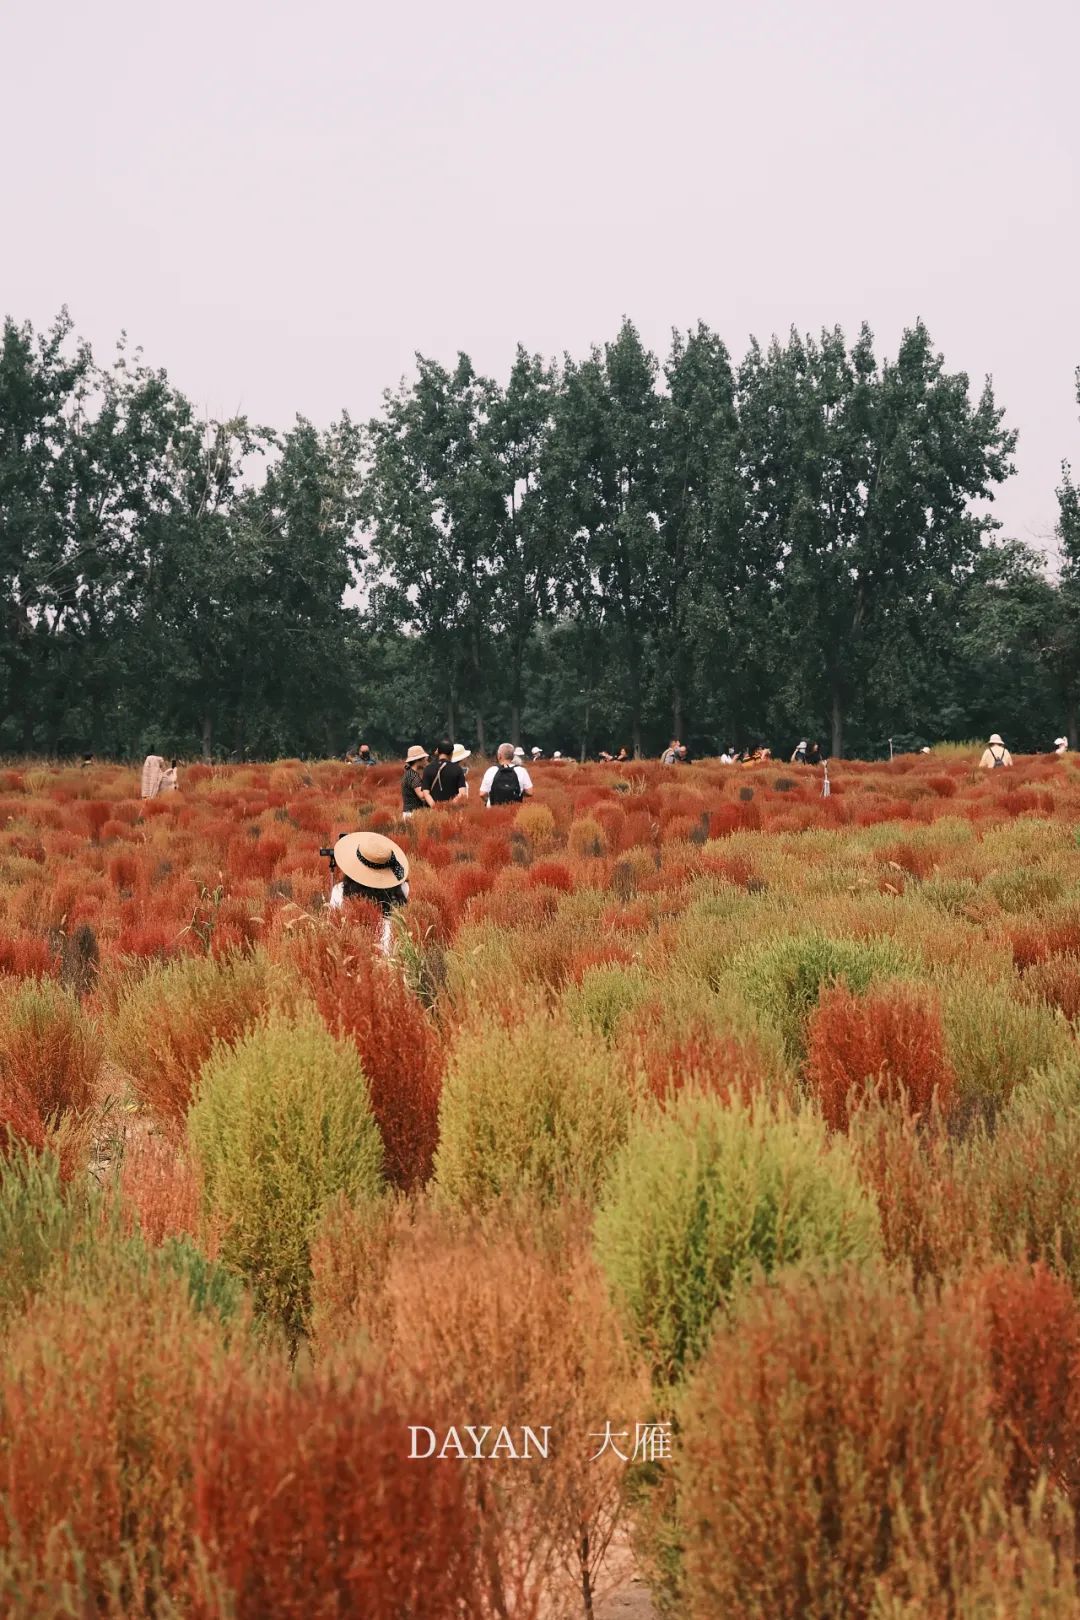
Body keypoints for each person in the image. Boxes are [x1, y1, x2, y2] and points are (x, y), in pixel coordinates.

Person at [327, 830, 410, 956]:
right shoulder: (402, 890)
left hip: (353, 955)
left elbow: (332, 926)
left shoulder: (339, 891)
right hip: (392, 957)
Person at [423, 739, 469, 805]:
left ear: (438, 752)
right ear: (452, 753)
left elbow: (426, 793)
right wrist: (450, 805)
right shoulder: (457, 769)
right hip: (453, 812)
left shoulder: (428, 769)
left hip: (433, 812)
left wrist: (434, 806)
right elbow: (462, 793)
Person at [402, 746, 434, 815]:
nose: (426, 761)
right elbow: (422, 796)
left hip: (412, 813)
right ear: (418, 760)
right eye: (424, 759)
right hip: (412, 813)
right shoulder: (412, 775)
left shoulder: (411, 773)